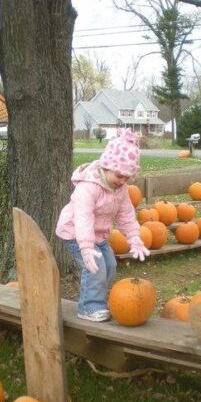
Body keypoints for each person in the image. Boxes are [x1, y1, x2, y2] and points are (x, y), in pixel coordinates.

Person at [56, 128, 150, 322]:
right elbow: (83, 219)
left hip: (98, 235)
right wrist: (86, 248)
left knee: (110, 265)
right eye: (119, 175)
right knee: (95, 267)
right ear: (106, 166)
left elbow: (126, 214)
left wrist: (134, 237)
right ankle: (89, 307)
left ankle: (96, 299)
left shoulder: (120, 188)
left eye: (127, 177)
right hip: (75, 233)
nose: (122, 181)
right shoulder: (88, 187)